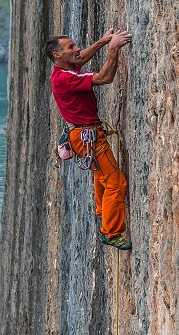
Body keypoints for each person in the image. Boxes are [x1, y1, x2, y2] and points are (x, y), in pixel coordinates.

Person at [45, 29, 133, 250]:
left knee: (102, 176)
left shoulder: (65, 69)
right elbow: (105, 78)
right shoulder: (66, 77)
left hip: (84, 135)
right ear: (57, 55)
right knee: (116, 183)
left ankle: (104, 210)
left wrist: (102, 42)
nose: (77, 49)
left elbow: (82, 57)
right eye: (70, 47)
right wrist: (113, 48)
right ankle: (111, 232)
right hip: (88, 137)